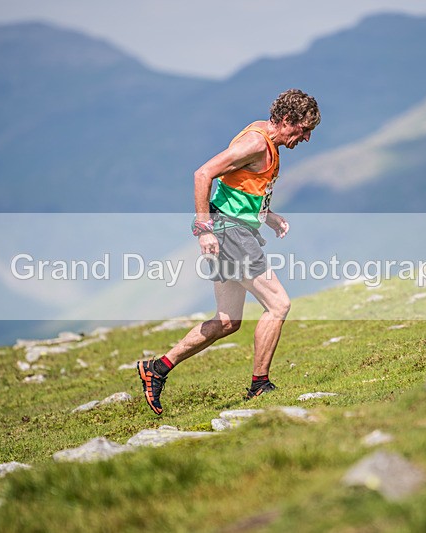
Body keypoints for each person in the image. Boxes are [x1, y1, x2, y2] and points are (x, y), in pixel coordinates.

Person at [137, 89, 320, 415]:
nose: (306, 138)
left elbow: (240, 188)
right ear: (288, 120)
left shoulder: (263, 136)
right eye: (304, 130)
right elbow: (203, 174)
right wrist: (203, 228)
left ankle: (157, 369)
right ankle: (259, 385)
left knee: (227, 321)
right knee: (278, 304)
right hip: (230, 233)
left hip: (235, 230)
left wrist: (268, 215)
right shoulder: (255, 143)